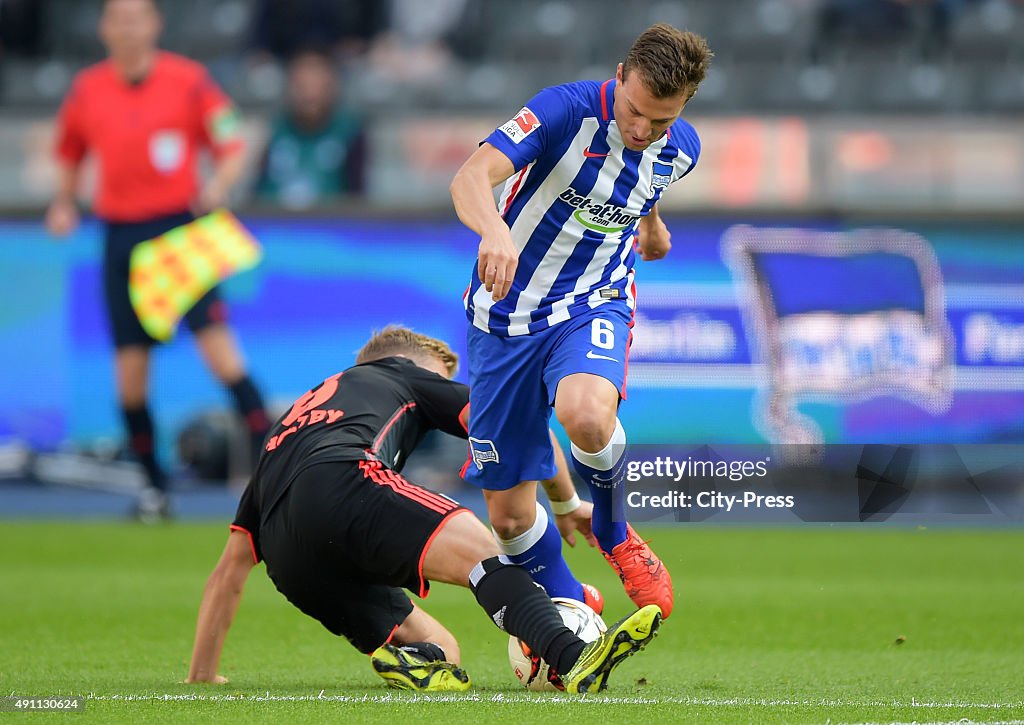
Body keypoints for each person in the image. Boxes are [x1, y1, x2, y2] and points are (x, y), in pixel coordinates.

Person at [185, 327, 662, 692]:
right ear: (417, 364)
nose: (446, 387)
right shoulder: (403, 373)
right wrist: (565, 501)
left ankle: (419, 665)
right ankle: (573, 655)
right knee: (484, 554)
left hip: (289, 558)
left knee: (444, 653)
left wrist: (202, 675)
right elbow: (512, 429)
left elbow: (231, 567)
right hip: (346, 478)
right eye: (444, 379)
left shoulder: (287, 426)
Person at [450, 24, 713, 619]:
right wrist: (494, 230)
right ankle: (574, 603)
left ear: (684, 108)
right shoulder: (561, 111)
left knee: (586, 414)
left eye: (661, 121)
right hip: (504, 318)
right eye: (635, 112)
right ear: (620, 75)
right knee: (510, 517)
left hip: (594, 300)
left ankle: (616, 532)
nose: (642, 131)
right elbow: (469, 176)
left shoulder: (683, 150)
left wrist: (648, 224)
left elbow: (641, 183)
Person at [45, 0, 271, 520]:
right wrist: (63, 202)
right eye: (118, 18)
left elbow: (232, 141)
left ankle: (273, 472)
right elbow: (68, 153)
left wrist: (217, 184)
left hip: (178, 236)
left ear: (154, 24)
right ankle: (154, 490)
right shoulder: (87, 89)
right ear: (104, 28)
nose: (127, 28)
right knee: (129, 372)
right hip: (121, 237)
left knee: (222, 356)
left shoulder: (188, 81)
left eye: (136, 17)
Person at [253, 47, 367, 209]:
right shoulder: (271, 130)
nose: (309, 96)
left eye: (316, 87)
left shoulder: (350, 133)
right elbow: (255, 192)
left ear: (331, 86)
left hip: (332, 227)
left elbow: (357, 197)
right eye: (302, 87)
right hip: (273, 227)